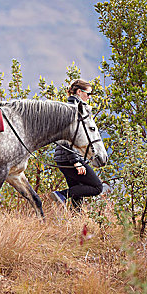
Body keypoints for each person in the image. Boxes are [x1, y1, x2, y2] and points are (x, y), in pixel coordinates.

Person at [50, 79, 103, 209]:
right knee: (97, 187)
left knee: (77, 192)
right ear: (79, 92)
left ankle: (75, 223)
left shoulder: (71, 107)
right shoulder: (73, 109)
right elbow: (69, 139)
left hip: (63, 159)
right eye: (88, 94)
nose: (89, 97)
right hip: (69, 159)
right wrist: (77, 161)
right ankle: (61, 195)